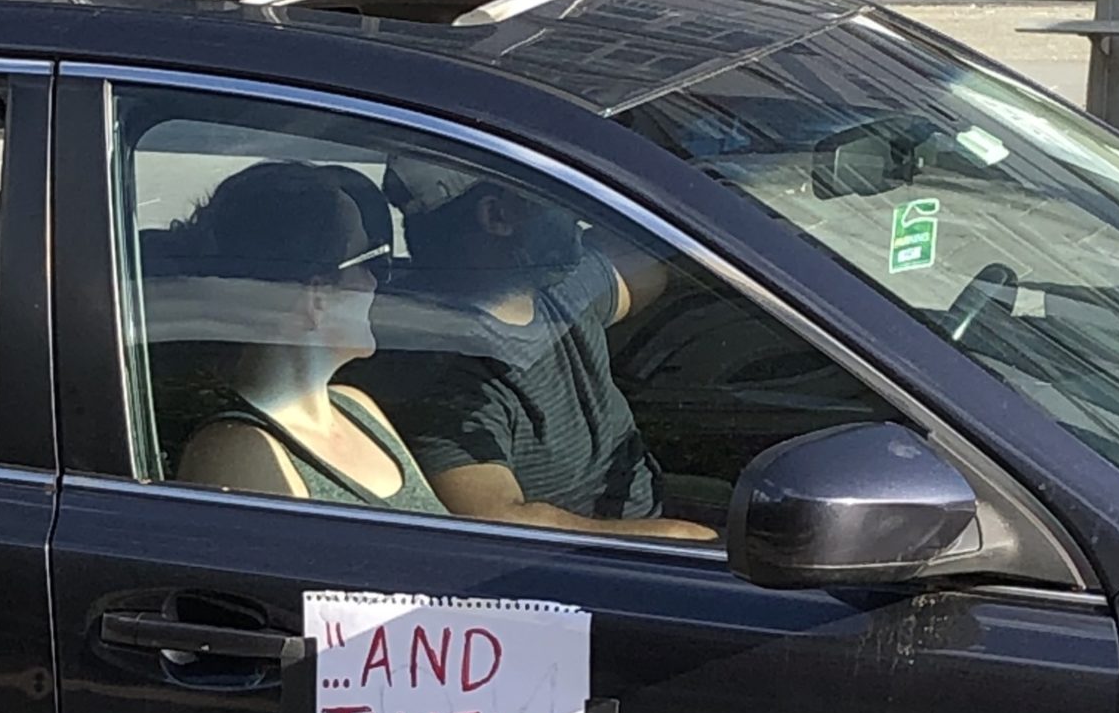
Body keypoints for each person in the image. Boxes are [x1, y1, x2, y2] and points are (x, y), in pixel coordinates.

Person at [352, 156, 717, 542]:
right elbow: (498, 521)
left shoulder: (559, 289)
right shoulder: (442, 374)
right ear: (497, 216)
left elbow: (653, 264)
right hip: (596, 562)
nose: (575, 217)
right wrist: (680, 539)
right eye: (553, 198)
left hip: (653, 508)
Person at [170, 162, 445, 513]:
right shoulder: (240, 453)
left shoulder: (356, 407)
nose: (374, 282)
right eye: (368, 261)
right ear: (316, 297)